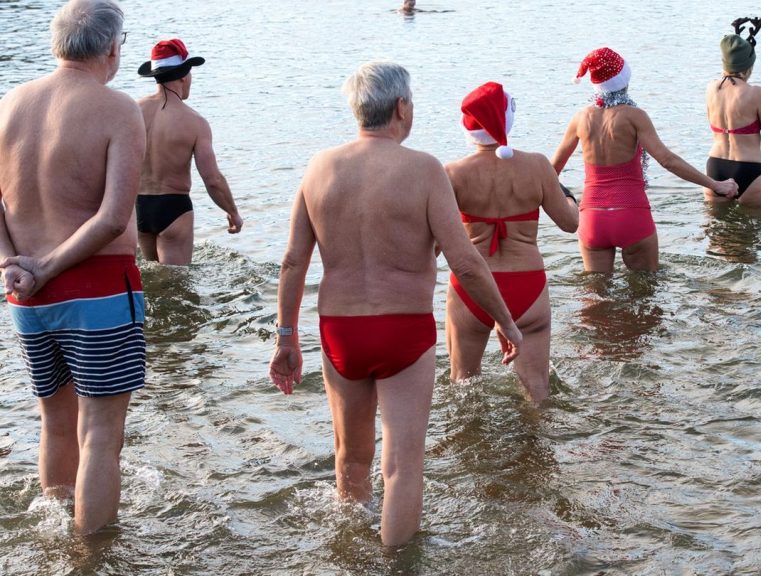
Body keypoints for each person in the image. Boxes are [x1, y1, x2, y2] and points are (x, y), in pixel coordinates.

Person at [268, 62, 523, 547]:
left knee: (351, 458)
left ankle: (351, 550)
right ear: (401, 108)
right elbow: (465, 262)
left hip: (340, 330)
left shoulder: (319, 167)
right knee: (403, 467)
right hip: (403, 327)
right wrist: (504, 322)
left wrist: (286, 337)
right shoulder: (423, 168)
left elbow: (292, 262)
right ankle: (395, 560)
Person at [0, 0, 147, 533]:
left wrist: (15, 265)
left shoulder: (10, 102)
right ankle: (91, 555)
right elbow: (112, 219)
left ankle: (54, 534)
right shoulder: (117, 108)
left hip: (28, 297)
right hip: (97, 289)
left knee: (55, 427)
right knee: (101, 435)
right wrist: (47, 264)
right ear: (112, 47)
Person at [444, 82, 578, 403]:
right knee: (537, 391)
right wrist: (569, 196)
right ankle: (537, 449)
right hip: (526, 285)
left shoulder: (452, 173)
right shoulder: (537, 166)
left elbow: (435, 243)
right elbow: (570, 223)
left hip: (472, 288)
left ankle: (468, 448)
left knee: (463, 387)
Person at [552, 47, 737, 272]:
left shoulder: (580, 118)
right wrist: (715, 184)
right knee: (646, 293)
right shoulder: (634, 116)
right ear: (624, 78)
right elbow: (667, 160)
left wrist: (563, 204)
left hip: (592, 218)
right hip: (631, 213)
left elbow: (551, 172)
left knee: (594, 300)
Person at [136, 39, 242, 265]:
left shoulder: (133, 112)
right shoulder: (195, 122)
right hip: (174, 208)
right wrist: (233, 212)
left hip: (139, 208)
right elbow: (212, 179)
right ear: (184, 75)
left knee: (152, 284)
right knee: (177, 285)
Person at [705, 17, 761, 205]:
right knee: (752, 231)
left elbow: (712, 122)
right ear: (749, 66)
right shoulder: (756, 93)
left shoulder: (711, 88)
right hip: (749, 169)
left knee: (716, 232)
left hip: (715, 167)